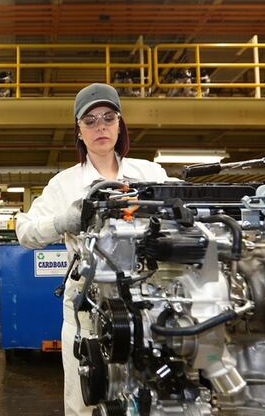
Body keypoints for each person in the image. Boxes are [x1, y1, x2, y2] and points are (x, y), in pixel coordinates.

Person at [15, 83, 172, 416]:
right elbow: (26, 232)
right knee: (85, 402)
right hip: (86, 315)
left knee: (150, 400)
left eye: (108, 117)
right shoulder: (64, 184)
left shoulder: (150, 173)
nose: (100, 126)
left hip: (147, 310)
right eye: (90, 120)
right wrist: (64, 219)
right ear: (79, 131)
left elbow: (179, 217)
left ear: (119, 124)